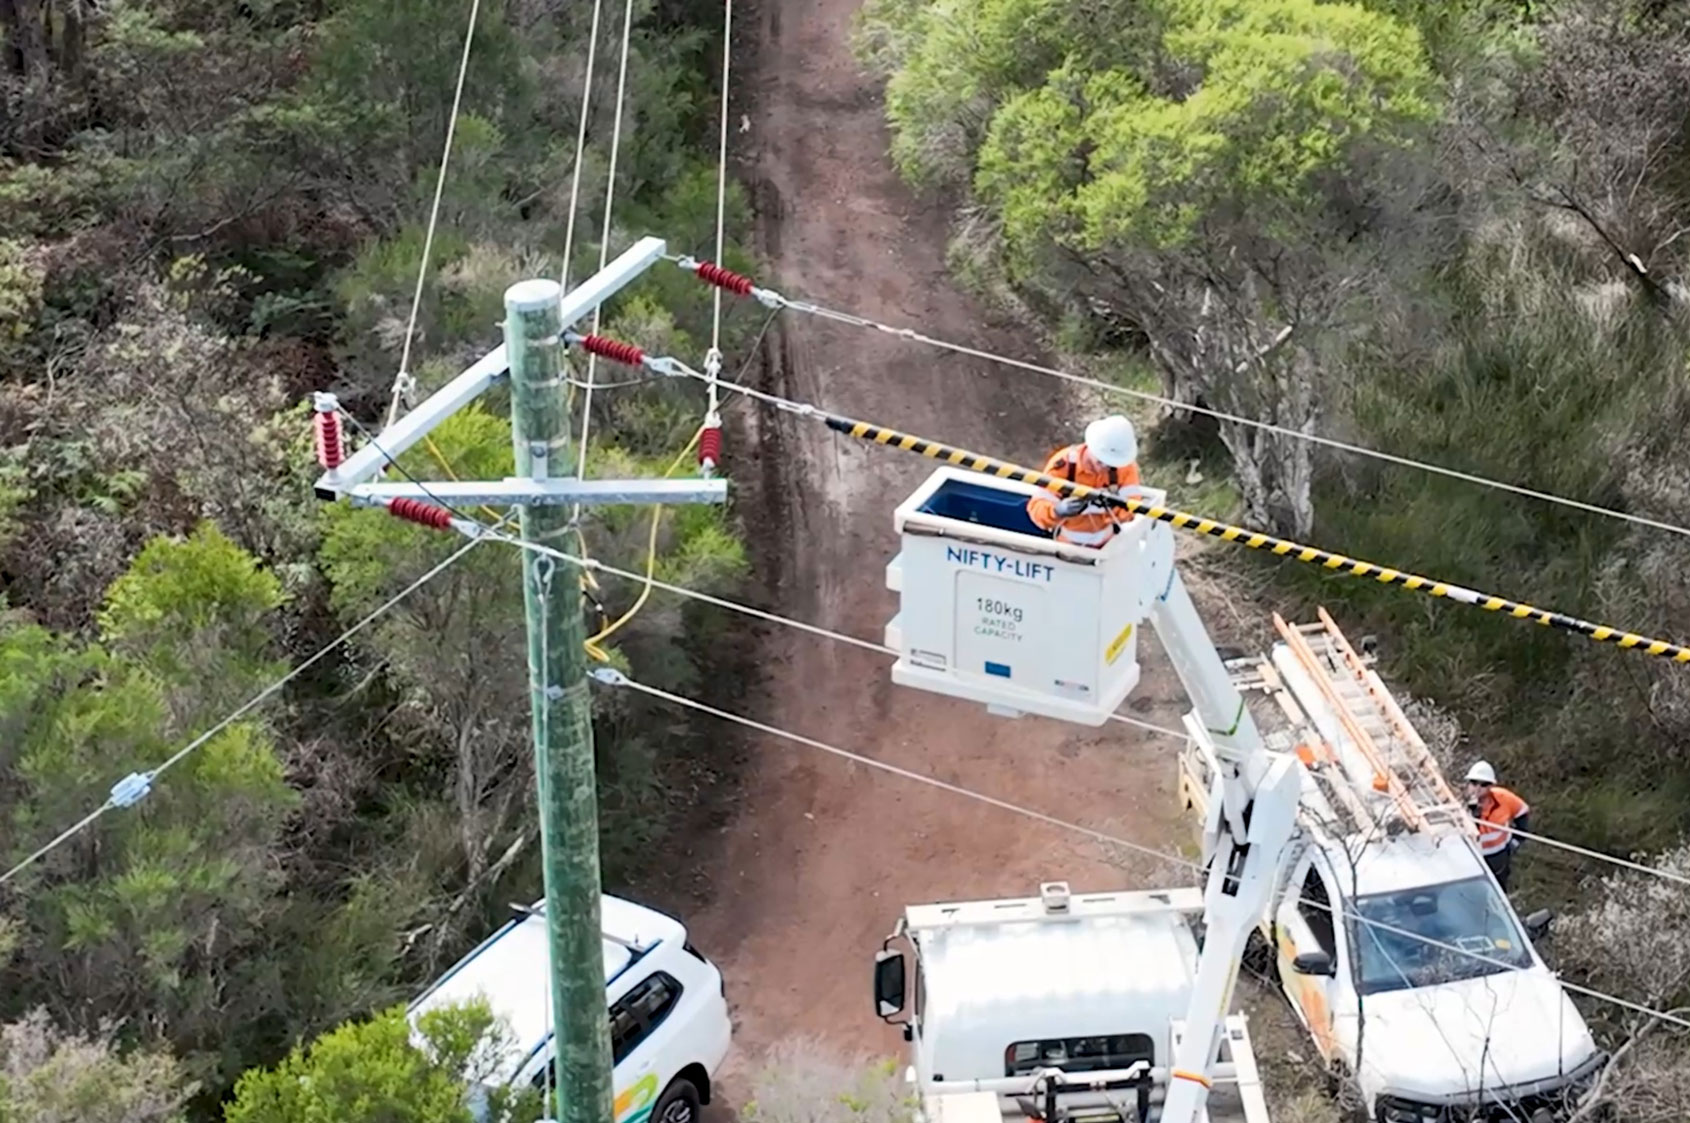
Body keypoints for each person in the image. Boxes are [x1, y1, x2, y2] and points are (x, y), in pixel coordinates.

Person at [1026, 415, 1144, 546]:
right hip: (1067, 547)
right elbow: (1037, 512)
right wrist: (1057, 511)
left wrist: (1112, 508)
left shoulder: (1124, 466)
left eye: (1110, 464)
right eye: (1101, 461)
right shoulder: (1063, 466)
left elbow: (1133, 506)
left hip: (1109, 546)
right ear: (1091, 446)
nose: (1104, 467)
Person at [1465, 760, 1530, 892]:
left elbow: (1522, 811)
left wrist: (1516, 840)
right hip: (1470, 857)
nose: (1477, 788)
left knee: (1498, 890)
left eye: (1483, 785)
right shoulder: (1457, 803)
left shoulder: (1503, 798)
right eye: (1474, 783)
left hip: (1498, 855)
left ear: (1490, 786)